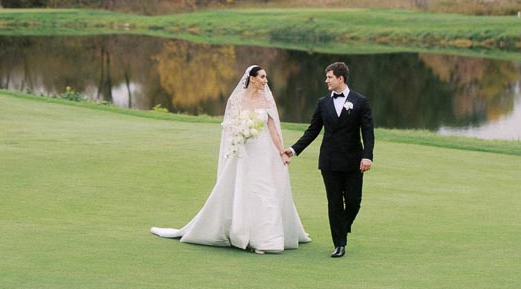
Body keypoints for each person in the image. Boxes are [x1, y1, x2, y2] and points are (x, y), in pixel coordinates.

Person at [151, 65, 310, 254]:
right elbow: (229, 129)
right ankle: (243, 235)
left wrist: (282, 152)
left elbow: (273, 129)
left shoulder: (266, 99)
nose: (266, 81)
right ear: (252, 78)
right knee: (244, 190)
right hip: (243, 153)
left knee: (265, 191)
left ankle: (268, 240)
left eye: (266, 77)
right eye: (262, 77)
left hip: (263, 152)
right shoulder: (236, 100)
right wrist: (238, 139)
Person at [283, 61, 374, 258]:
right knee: (334, 203)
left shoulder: (360, 101)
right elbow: (313, 130)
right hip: (329, 162)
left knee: (353, 201)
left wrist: (367, 156)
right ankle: (339, 244)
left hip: (353, 161)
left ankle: (342, 227)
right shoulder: (322, 103)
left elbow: (368, 132)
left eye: (329, 77)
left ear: (340, 79)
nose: (326, 81)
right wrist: (293, 149)